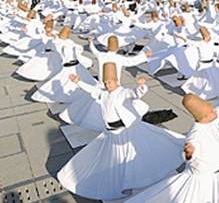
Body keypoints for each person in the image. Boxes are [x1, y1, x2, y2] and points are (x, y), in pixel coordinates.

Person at [58, 63, 184, 201]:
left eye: (110, 82)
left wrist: (141, 86)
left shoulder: (123, 93)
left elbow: (135, 94)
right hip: (111, 133)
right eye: (105, 82)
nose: (107, 85)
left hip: (124, 132)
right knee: (114, 158)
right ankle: (124, 179)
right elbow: (91, 90)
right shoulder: (103, 93)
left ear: (116, 81)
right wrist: (78, 82)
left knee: (126, 157)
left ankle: (130, 180)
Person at [181, 27, 219, 100]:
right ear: (204, 36)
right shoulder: (199, 43)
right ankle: (200, 91)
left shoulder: (212, 41)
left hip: (211, 64)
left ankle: (216, 90)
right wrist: (179, 36)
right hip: (203, 65)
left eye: (208, 34)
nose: (209, 36)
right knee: (202, 80)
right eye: (207, 35)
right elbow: (187, 41)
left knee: (218, 77)